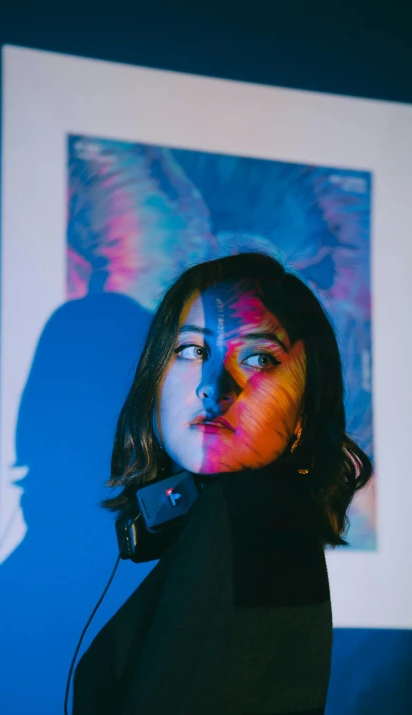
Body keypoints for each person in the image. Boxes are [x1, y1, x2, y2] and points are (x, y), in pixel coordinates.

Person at [72, 252, 372, 714]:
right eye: (193, 350)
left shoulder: (253, 510)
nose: (216, 387)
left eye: (258, 358)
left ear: (303, 417)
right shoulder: (258, 518)